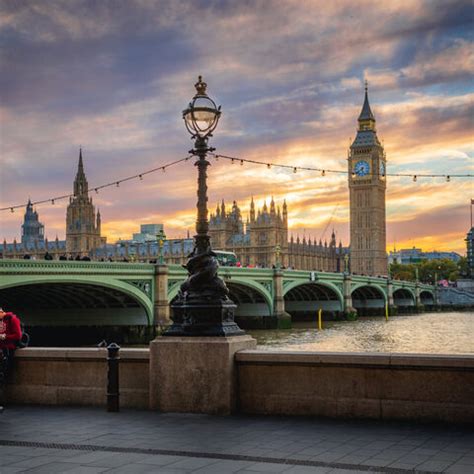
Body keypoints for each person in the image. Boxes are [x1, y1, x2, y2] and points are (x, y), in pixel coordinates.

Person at [0, 308, 22, 412]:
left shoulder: (12, 319)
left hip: (7, 350)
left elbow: (18, 335)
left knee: (3, 375)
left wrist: (4, 336)